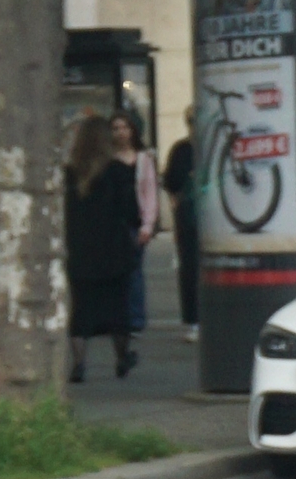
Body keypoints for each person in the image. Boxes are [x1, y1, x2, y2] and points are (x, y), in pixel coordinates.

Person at [65, 112, 144, 382]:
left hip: (80, 252)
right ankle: (122, 358)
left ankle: (79, 363)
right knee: (118, 310)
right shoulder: (118, 171)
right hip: (113, 251)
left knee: (80, 311)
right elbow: (132, 212)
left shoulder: (69, 175)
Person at [111, 111, 159, 341]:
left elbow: (150, 193)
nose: (121, 133)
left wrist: (148, 225)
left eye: (125, 128)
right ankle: (116, 318)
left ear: (133, 131)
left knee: (135, 272)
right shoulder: (107, 158)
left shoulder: (143, 159)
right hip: (112, 223)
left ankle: (135, 319)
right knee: (113, 273)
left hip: (134, 221)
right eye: (117, 128)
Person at [161, 109, 199, 340]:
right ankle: (193, 320)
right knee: (190, 268)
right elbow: (171, 182)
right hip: (189, 216)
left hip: (194, 214)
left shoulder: (186, 148)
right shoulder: (182, 150)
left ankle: (196, 320)